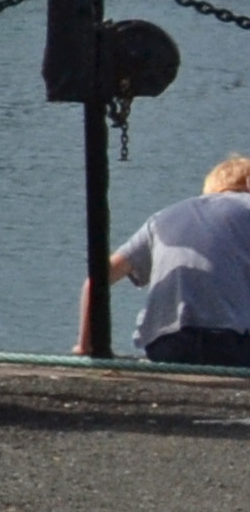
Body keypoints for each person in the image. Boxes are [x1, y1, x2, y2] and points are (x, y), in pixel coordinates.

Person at [95, 155, 250, 365]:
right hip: (229, 346)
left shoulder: (162, 217)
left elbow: (96, 280)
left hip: (167, 346)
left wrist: (86, 345)